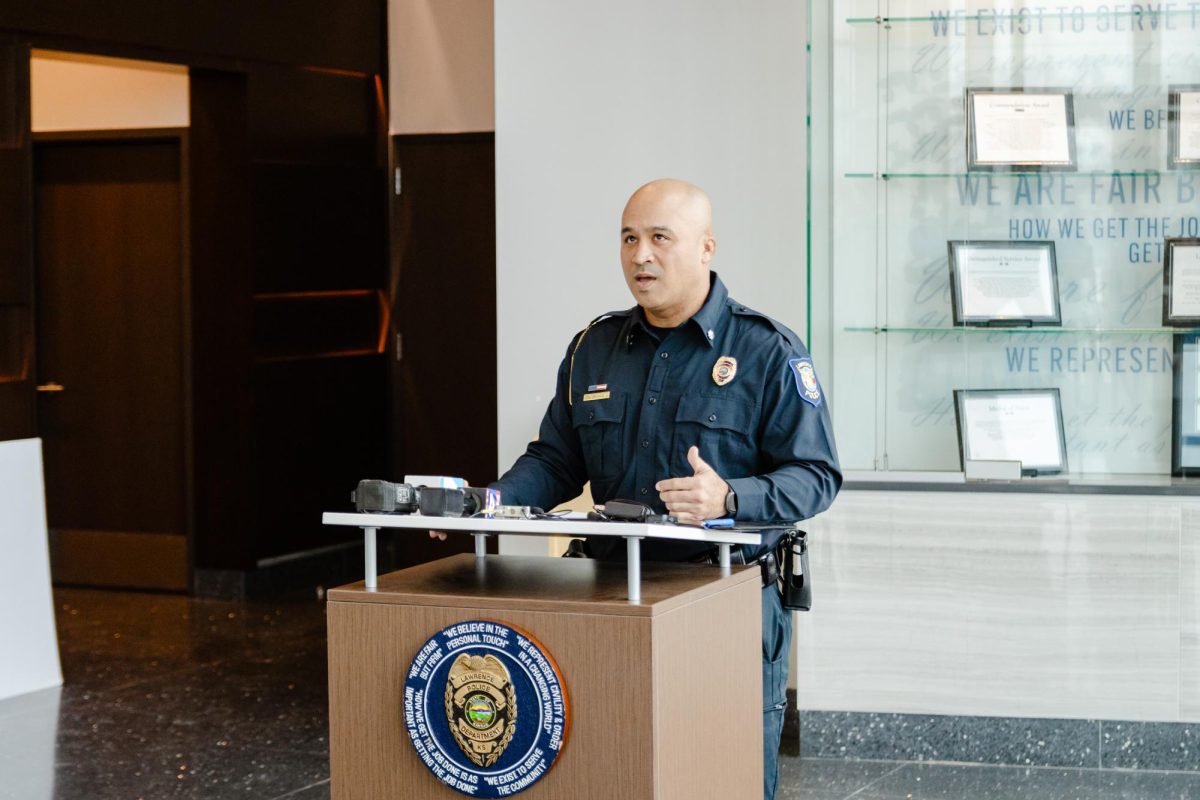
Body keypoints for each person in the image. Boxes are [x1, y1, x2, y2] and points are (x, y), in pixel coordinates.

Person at [440, 178, 841, 799]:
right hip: (609, 595)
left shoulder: (766, 351)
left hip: (722, 597)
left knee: (720, 772)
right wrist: (487, 506)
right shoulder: (593, 348)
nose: (640, 256)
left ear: (706, 247)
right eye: (629, 238)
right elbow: (554, 459)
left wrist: (730, 499)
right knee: (610, 765)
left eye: (660, 238)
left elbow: (816, 475)